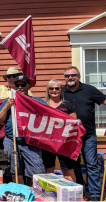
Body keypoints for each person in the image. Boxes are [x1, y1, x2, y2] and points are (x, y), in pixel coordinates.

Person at [62, 66, 106, 201]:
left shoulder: (89, 89)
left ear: (78, 76)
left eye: (73, 75)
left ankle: (95, 195)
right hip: (69, 137)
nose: (70, 78)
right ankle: (79, 193)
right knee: (73, 165)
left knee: (91, 164)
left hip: (88, 135)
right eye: (67, 76)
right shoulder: (60, 91)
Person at [0, 75, 45, 186]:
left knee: (37, 171)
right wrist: (6, 106)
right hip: (11, 140)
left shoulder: (37, 101)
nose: (20, 87)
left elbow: (51, 116)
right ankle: (20, 192)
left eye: (23, 84)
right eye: (17, 85)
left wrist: (70, 121)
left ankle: (33, 194)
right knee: (14, 170)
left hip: (31, 141)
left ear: (28, 86)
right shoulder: (8, 101)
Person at [42, 79, 77, 182]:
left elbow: (74, 123)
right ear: (48, 90)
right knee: (48, 169)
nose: (54, 90)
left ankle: (72, 195)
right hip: (47, 142)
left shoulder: (68, 105)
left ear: (61, 90)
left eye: (57, 88)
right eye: (51, 88)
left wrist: (77, 122)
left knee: (68, 170)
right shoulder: (42, 104)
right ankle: (49, 195)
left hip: (64, 143)